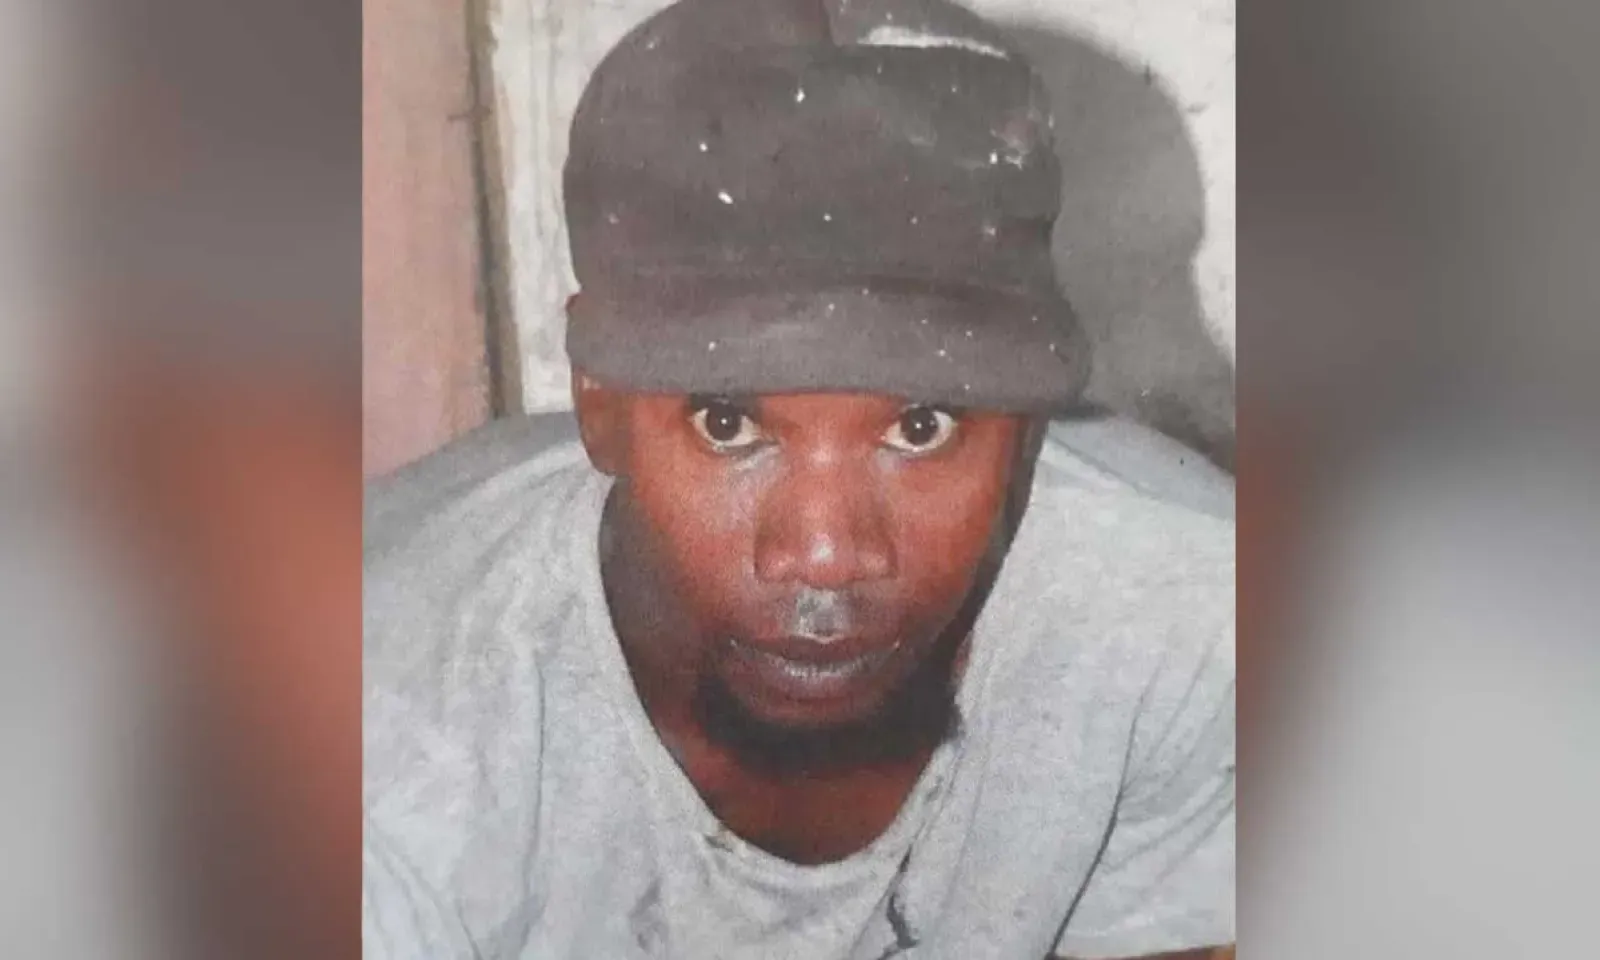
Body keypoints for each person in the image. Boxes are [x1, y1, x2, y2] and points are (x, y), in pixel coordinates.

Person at [363, 0, 1235, 956]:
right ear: (598, 401)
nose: (824, 554)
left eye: (921, 426)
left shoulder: (1182, 621)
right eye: (727, 424)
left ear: (1025, 424)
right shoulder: (385, 733)